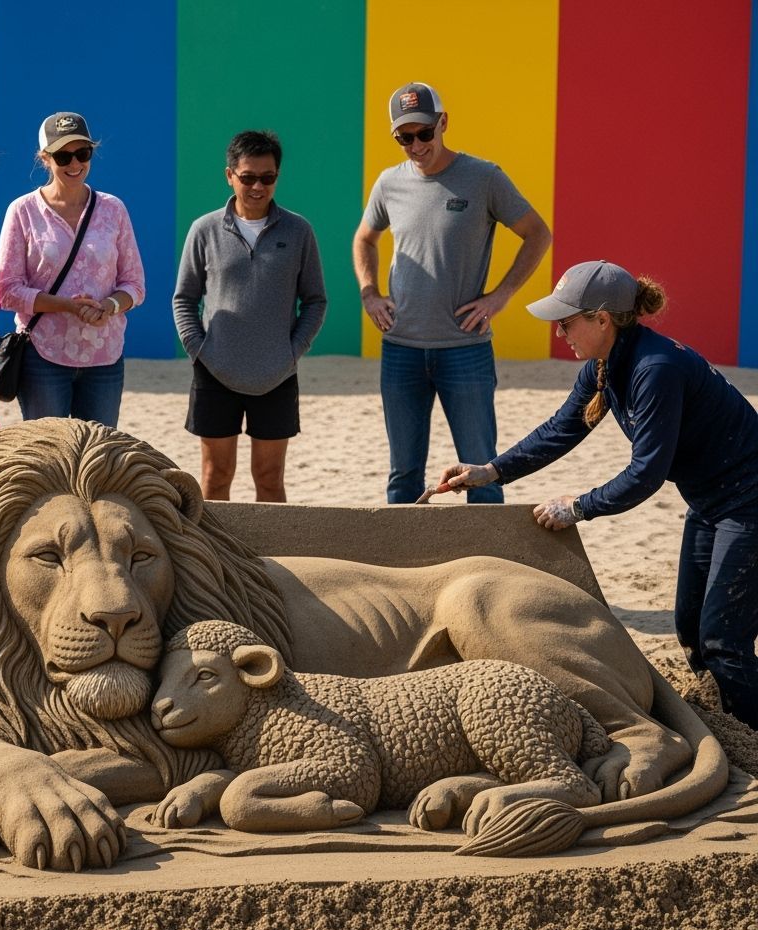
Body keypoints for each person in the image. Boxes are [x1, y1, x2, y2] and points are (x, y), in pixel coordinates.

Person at [435, 260, 758, 730]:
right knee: (691, 629)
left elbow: (646, 475)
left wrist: (578, 507)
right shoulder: (607, 364)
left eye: (566, 322)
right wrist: (491, 471)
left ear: (602, 319)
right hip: (711, 502)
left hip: (748, 504)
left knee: (723, 641)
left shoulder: (655, 368)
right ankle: (727, 721)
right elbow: (561, 428)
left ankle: (749, 735)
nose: (559, 332)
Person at [353, 81, 551, 505]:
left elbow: (537, 234)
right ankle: (404, 549)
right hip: (401, 350)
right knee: (403, 475)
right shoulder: (389, 183)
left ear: (443, 122)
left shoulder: (484, 177)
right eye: (404, 137)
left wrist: (500, 296)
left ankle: (486, 552)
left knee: (482, 472)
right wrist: (370, 293)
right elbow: (364, 238)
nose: (416, 145)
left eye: (424, 133)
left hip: (465, 350)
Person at [173, 130, 326, 502]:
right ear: (230, 175)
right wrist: (200, 351)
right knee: (215, 477)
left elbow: (315, 301)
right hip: (214, 373)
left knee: (270, 479)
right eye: (248, 177)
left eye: (267, 177)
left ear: (277, 176)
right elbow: (184, 299)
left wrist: (291, 353)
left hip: (277, 375)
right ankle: (214, 543)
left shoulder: (299, 231)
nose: (258, 186)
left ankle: (273, 544)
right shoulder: (204, 230)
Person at [0, 112, 144, 427]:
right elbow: (7, 290)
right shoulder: (22, 211)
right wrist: (67, 306)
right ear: (44, 158)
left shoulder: (113, 209)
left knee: (98, 450)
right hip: (42, 355)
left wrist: (108, 306)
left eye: (83, 153)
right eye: (63, 156)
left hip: (105, 357)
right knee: (49, 450)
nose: (75, 163)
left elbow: (134, 284)